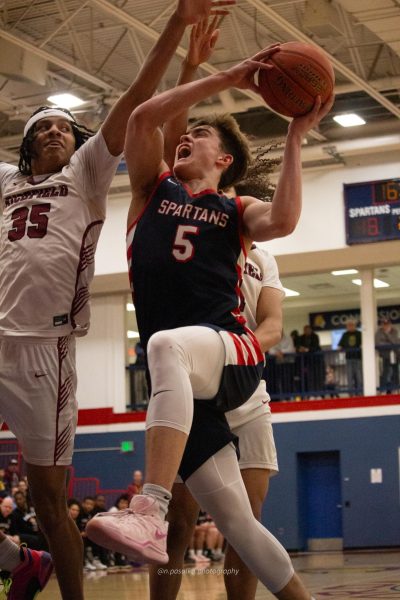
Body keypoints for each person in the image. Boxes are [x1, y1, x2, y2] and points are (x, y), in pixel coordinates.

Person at [87, 21, 333, 597]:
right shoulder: (153, 191)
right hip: (185, 380)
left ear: (224, 160)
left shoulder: (234, 209)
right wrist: (221, 75)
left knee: (165, 342)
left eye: (200, 134)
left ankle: (148, 507)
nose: (188, 135)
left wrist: (296, 135)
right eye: (189, 130)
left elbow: (285, 221)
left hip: (231, 352)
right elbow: (144, 118)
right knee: (237, 523)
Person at [0, 1, 228, 598]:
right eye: (40, 127)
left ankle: (57, 581)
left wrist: (178, 25)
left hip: (45, 349)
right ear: (24, 148)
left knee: (51, 499)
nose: (53, 130)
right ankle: (13, 557)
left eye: (62, 127)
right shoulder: (6, 182)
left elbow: (137, 98)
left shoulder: (86, 171)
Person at [375, 318, 399, 393]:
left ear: (390, 324)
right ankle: (383, 390)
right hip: (385, 356)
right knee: (386, 373)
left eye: (387, 324)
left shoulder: (394, 331)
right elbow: (378, 343)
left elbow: (395, 342)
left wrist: (387, 334)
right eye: (384, 324)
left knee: (395, 372)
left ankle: (396, 389)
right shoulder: (378, 332)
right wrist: (390, 343)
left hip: (396, 355)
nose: (386, 326)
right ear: (382, 325)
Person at [338, 320, 362, 394]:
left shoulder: (359, 334)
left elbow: (363, 344)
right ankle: (351, 392)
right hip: (348, 358)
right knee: (349, 376)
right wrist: (340, 348)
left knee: (359, 376)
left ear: (354, 326)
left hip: (358, 357)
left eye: (352, 325)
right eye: (348, 325)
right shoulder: (345, 334)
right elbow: (340, 345)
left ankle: (359, 391)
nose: (350, 326)